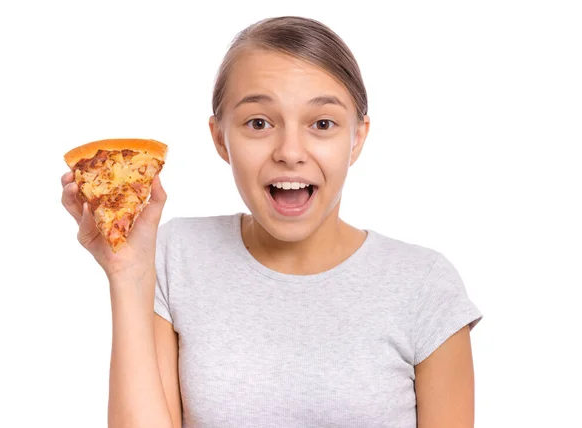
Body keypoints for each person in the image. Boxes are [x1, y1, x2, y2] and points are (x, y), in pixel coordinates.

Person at [61, 16, 482, 428]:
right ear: (220, 138)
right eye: (258, 123)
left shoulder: (425, 285)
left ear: (357, 138)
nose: (290, 151)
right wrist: (129, 274)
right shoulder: (175, 256)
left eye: (322, 123)